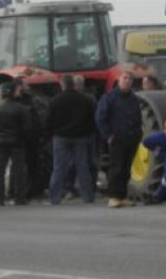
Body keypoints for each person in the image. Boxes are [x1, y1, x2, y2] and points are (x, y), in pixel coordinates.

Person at [47, 75, 97, 204]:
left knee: (59, 167)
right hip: (80, 137)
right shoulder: (84, 100)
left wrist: (51, 134)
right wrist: (87, 133)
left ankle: (55, 198)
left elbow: (48, 121)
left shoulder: (54, 101)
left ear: (62, 85)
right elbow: (91, 120)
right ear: (73, 85)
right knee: (83, 167)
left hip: (60, 138)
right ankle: (88, 197)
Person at [95, 73, 142, 208]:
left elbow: (137, 117)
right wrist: (108, 135)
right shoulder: (109, 98)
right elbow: (100, 118)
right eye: (124, 78)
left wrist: (138, 134)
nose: (127, 81)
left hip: (131, 139)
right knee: (116, 168)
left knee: (126, 169)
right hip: (116, 139)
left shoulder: (133, 99)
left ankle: (122, 196)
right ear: (119, 80)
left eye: (130, 79)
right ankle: (113, 197)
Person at [0, 82, 32, 206]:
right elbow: (28, 128)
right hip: (18, 142)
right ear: (12, 92)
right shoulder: (22, 108)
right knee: (18, 170)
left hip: (0, 142)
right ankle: (19, 197)